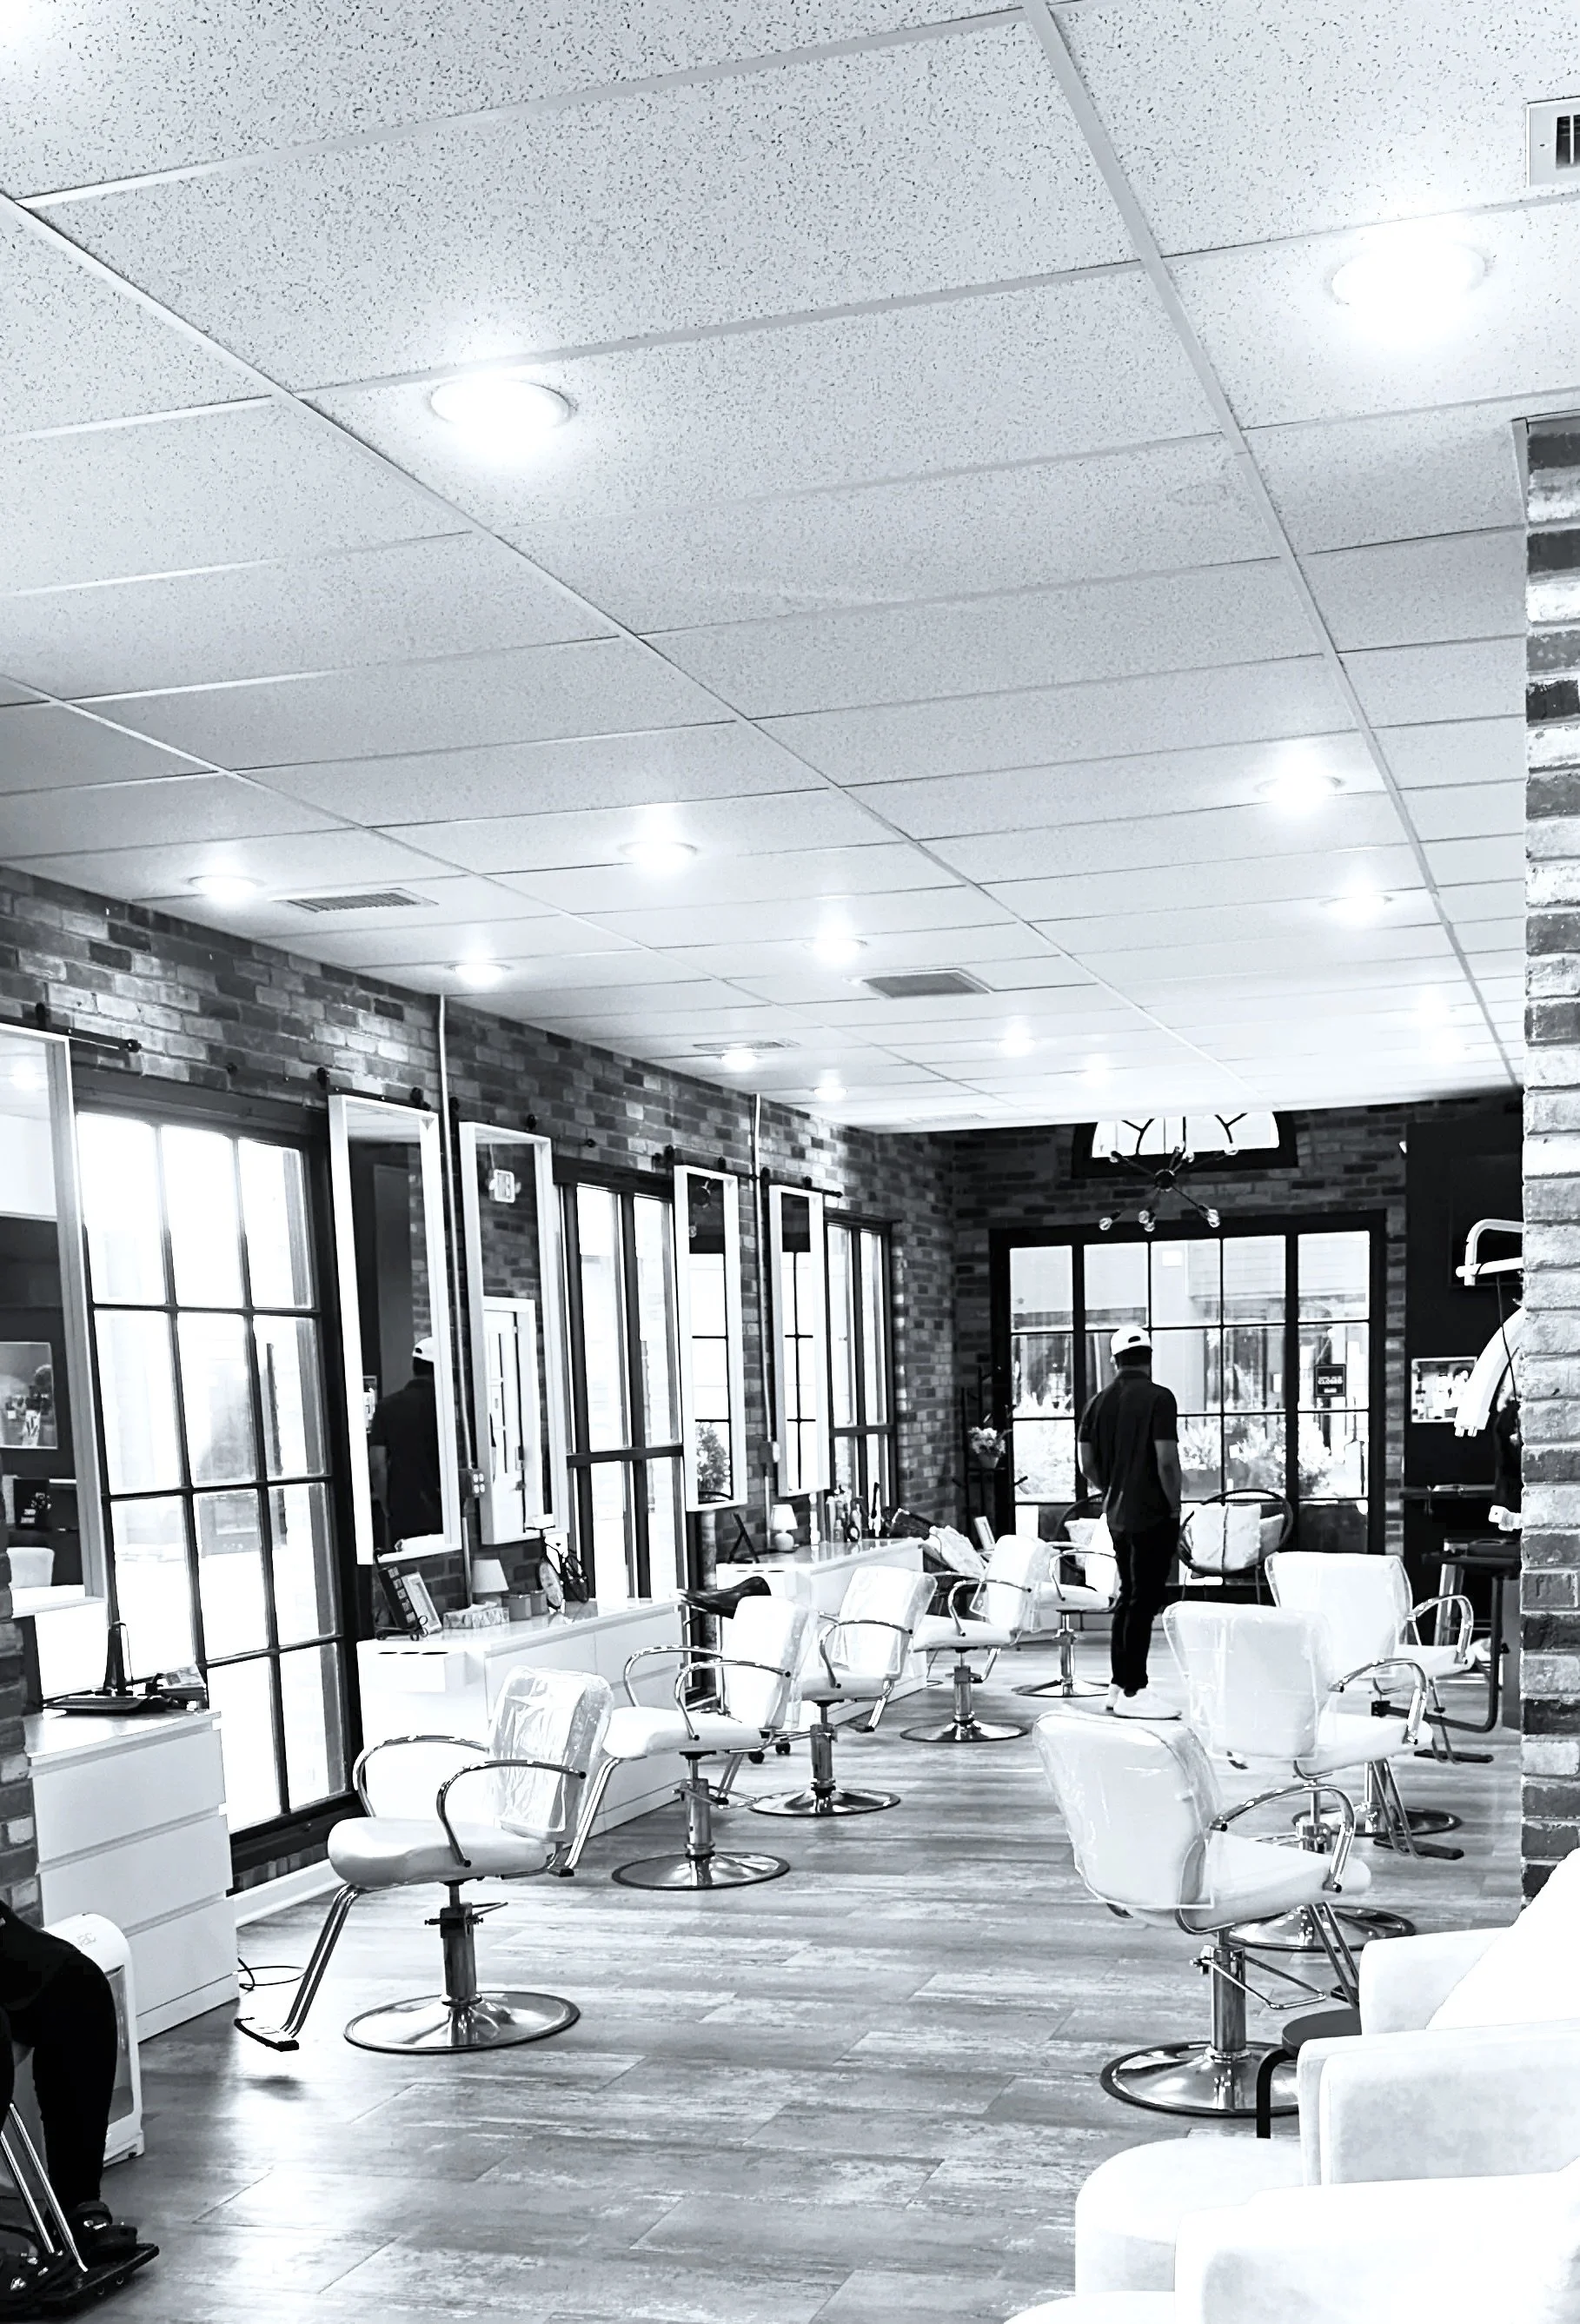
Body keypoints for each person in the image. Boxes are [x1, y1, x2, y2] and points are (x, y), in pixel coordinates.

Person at [1077, 1324, 1183, 1718]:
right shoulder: (1159, 1398)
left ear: (1114, 1361)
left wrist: (1113, 1485)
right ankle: (1135, 1692)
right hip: (1153, 1514)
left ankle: (1118, 1685)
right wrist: (1174, 1507)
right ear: (1149, 1358)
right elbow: (1167, 1460)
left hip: (1117, 1516)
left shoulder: (1096, 1403)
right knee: (1143, 1601)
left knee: (1128, 1597)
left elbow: (1086, 1463)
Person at [368, 1337, 442, 1550]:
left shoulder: (387, 1407)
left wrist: (387, 1505)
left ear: (414, 1367)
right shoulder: (454, 1407)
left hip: (405, 1507)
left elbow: (377, 1465)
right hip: (451, 1509)